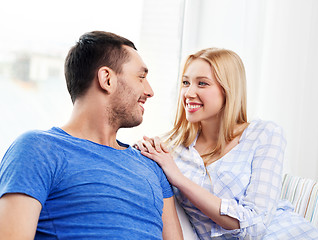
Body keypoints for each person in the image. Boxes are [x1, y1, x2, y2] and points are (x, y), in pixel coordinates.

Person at [0, 31, 183, 240]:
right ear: (107, 79)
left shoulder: (151, 166)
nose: (150, 91)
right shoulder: (38, 149)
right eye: (141, 77)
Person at [137, 48, 318, 239]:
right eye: (185, 82)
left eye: (202, 83)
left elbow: (255, 226)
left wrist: (179, 179)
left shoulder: (264, 135)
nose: (188, 93)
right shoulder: (169, 149)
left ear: (228, 89)